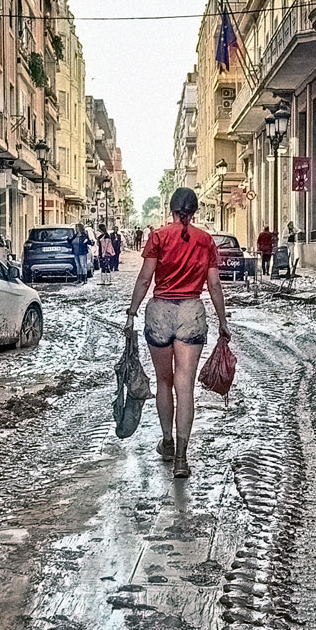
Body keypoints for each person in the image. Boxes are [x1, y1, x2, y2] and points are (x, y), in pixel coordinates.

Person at [125, 187, 229, 479]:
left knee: (164, 381)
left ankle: (167, 441)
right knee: (185, 386)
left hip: (160, 313)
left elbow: (145, 278)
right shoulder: (205, 240)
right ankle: (182, 459)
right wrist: (222, 320)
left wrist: (132, 312)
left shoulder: (158, 236)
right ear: (194, 211)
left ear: (171, 209)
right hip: (191, 313)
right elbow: (215, 286)